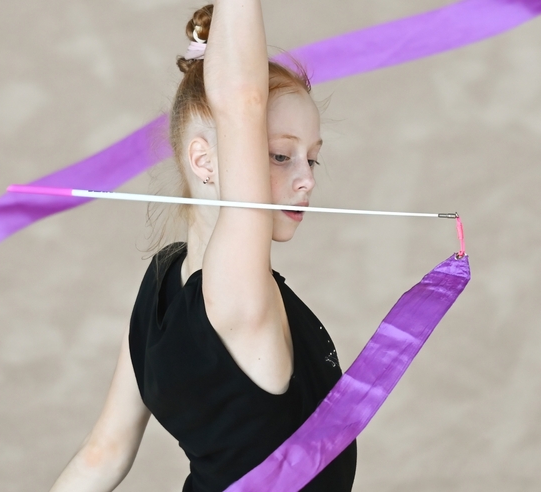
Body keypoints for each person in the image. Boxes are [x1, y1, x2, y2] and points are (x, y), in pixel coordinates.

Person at [49, 2, 357, 491]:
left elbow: (102, 455)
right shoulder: (234, 290)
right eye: (281, 155)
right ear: (205, 160)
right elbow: (241, 102)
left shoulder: (162, 284)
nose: (306, 181)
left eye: (312, 160)